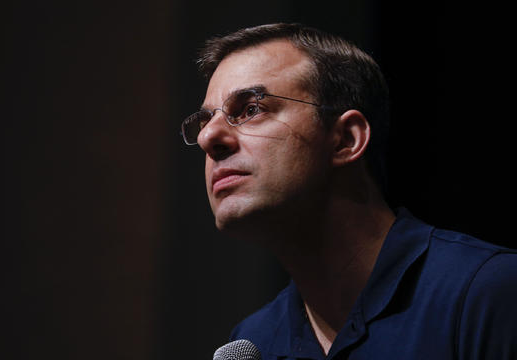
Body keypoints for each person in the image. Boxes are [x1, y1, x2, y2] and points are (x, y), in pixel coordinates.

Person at [180, 23, 517, 360]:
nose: (209, 137)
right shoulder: (255, 342)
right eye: (206, 121)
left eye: (251, 109)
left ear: (346, 139)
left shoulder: (489, 293)